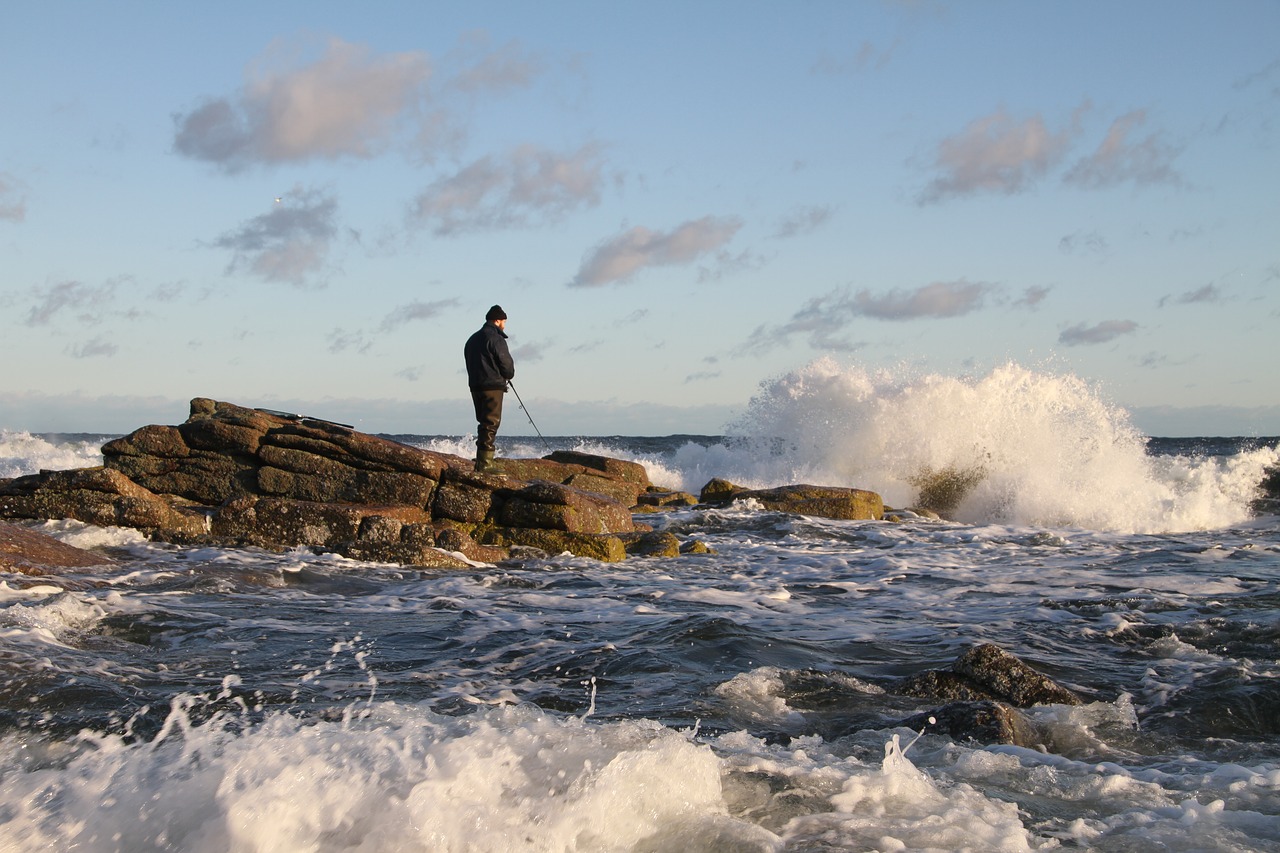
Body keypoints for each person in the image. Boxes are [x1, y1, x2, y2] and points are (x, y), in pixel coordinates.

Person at [463, 304, 515, 472]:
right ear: (497, 320)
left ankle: (480, 460)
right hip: (492, 385)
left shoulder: (472, 339)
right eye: (504, 321)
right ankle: (485, 464)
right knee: (491, 423)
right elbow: (506, 364)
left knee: (483, 422)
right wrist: (508, 374)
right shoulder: (496, 338)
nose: (504, 325)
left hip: (475, 385)